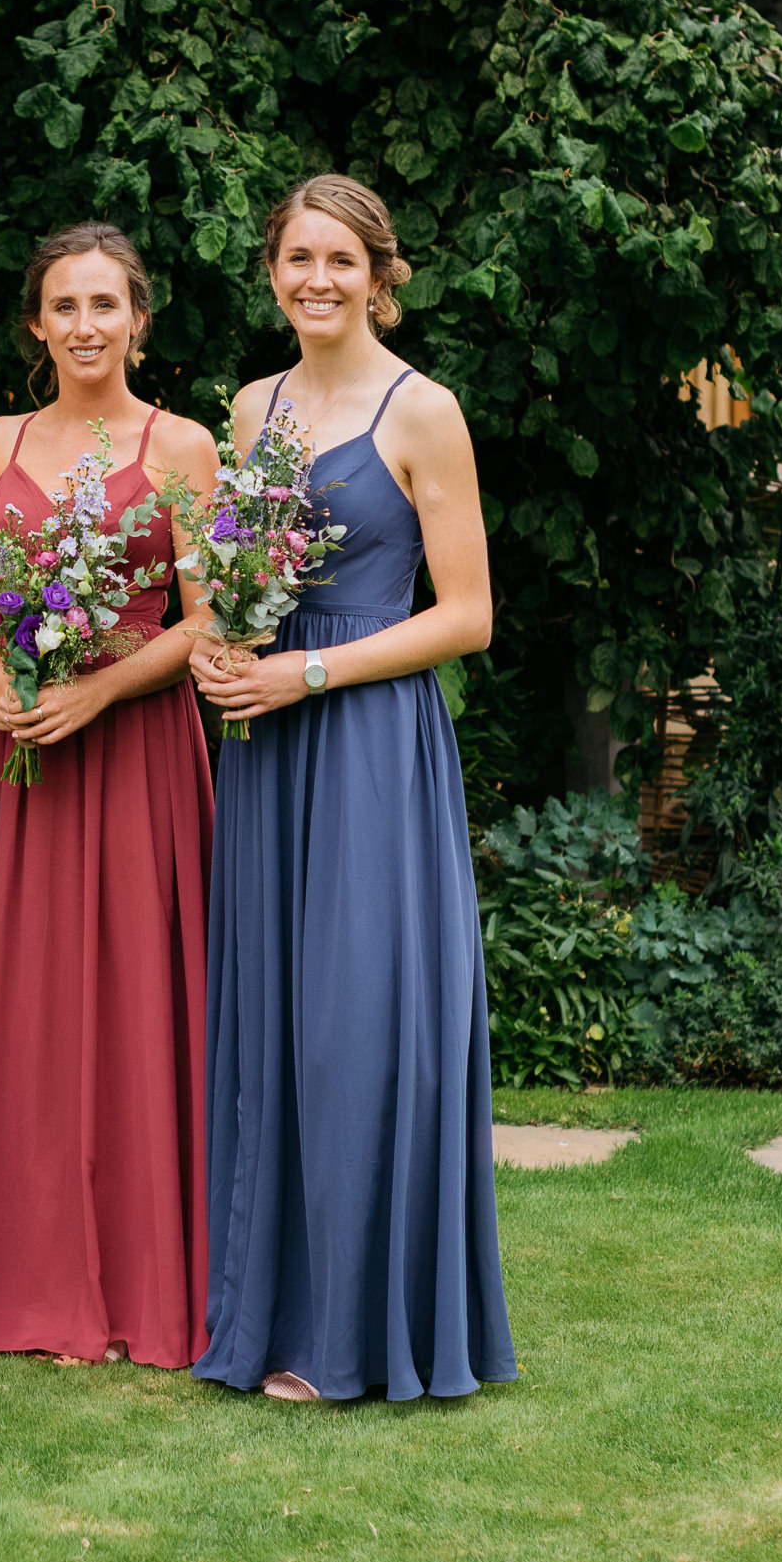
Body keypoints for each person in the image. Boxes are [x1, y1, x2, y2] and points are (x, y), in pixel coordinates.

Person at [188, 174, 516, 1403]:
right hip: (268, 745)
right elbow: (240, 574)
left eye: (337, 261)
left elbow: (471, 617)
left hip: (368, 737)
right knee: (272, 1026)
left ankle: (356, 1336)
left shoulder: (421, 411)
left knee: (355, 1028)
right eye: (294, 259)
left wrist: (307, 670)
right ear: (271, 272)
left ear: (380, 275)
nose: (313, 280)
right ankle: (269, 1317)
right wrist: (223, 640)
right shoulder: (252, 404)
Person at [0, 223, 219, 1370]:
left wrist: (100, 689)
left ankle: (141, 1278)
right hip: (20, 753)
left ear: (139, 319)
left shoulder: (181, 447)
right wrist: (6, 682)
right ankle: (30, 1274)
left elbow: (209, 616)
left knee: (132, 1001)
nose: (83, 326)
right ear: (34, 326)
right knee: (25, 1009)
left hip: (136, 746)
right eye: (63, 306)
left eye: (104, 304)